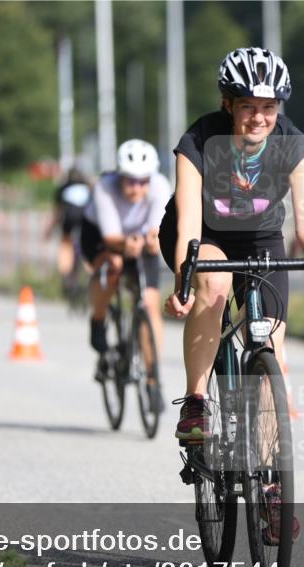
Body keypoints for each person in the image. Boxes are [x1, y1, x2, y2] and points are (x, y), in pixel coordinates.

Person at [159, 47, 304, 541]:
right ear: (228, 104)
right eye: (248, 106)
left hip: (263, 238)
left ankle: (269, 489)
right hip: (204, 234)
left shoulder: (294, 143)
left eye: (269, 106)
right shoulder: (198, 140)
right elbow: (186, 225)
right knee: (215, 285)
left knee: (273, 357)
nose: (259, 116)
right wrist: (184, 277)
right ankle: (197, 401)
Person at [82, 140, 170, 407]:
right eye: (130, 181)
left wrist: (155, 240)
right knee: (114, 266)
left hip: (140, 239)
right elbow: (110, 237)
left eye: (142, 181)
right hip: (101, 235)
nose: (136, 188)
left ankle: (153, 379)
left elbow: (156, 229)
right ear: (119, 177)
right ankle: (98, 320)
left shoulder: (161, 186)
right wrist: (125, 246)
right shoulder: (105, 188)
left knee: (150, 305)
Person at [44, 168, 91, 296]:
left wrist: (49, 230)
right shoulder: (88, 187)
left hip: (69, 221)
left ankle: (65, 275)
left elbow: (58, 212)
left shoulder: (63, 188)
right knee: (88, 246)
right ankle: (91, 274)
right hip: (85, 221)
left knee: (66, 245)